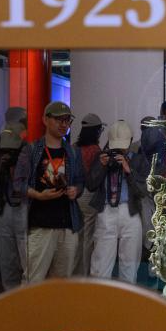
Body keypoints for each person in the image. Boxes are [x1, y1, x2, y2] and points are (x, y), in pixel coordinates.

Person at [13, 101, 85, 283]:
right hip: (40, 224)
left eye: (67, 120)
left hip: (67, 223)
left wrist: (75, 190)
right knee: (33, 280)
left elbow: (80, 181)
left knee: (62, 282)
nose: (64, 124)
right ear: (45, 120)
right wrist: (38, 195)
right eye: (59, 119)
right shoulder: (31, 150)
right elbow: (17, 184)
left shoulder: (73, 152)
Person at [87, 121, 151, 284]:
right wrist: (101, 166)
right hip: (106, 211)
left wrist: (129, 170)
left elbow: (143, 191)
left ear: (130, 142)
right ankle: (99, 297)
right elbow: (91, 185)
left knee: (130, 264)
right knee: (100, 264)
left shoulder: (138, 160)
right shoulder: (101, 158)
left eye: (123, 147)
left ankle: (126, 298)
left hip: (130, 212)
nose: (120, 150)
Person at [0, 107, 28, 290]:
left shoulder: (24, 146)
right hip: (5, 204)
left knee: (25, 260)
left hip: (20, 204)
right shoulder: (0, 143)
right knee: (8, 261)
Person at [72, 113, 104, 276]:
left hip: (76, 194)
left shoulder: (74, 147)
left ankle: (74, 274)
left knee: (77, 236)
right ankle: (83, 275)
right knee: (88, 238)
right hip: (89, 195)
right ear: (96, 131)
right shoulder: (95, 150)